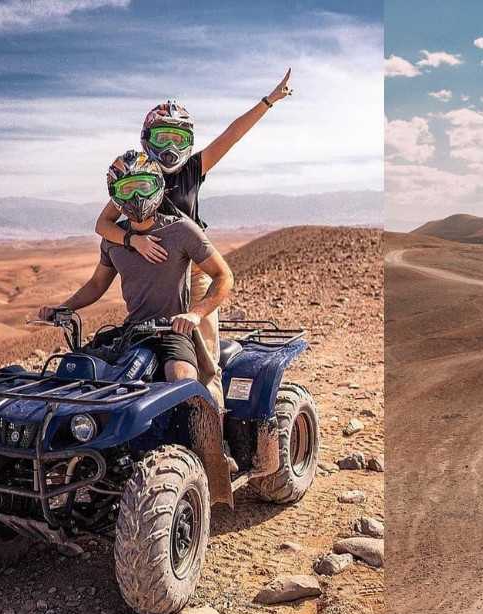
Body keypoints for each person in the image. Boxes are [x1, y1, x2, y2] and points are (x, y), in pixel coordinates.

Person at [92, 70, 293, 362]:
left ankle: (211, 406)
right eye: (163, 137)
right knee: (145, 350)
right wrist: (133, 240)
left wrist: (268, 100)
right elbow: (102, 224)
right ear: (149, 138)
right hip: (158, 273)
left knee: (204, 352)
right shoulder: (136, 175)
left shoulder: (194, 168)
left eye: (178, 137)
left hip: (196, 269)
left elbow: (232, 135)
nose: (170, 147)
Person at [39, 151, 234, 385]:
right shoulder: (114, 240)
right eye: (127, 188)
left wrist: (195, 314)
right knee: (75, 371)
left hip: (172, 331)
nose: (136, 196)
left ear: (158, 187)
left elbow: (224, 275)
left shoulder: (182, 230)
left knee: (182, 380)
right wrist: (62, 308)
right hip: (132, 331)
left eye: (143, 186)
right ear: (115, 195)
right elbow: (97, 284)